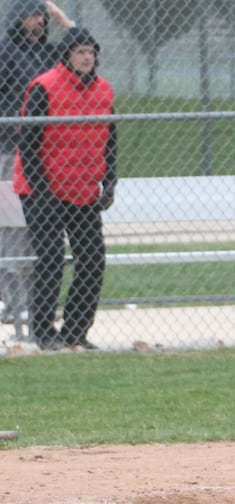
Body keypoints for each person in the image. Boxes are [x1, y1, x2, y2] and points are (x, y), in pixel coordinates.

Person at [14, 26, 117, 351]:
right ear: (67, 56)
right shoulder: (44, 87)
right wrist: (41, 191)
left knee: (92, 258)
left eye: (91, 52)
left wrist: (110, 181)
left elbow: (110, 140)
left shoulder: (104, 91)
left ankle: (75, 331)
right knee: (51, 258)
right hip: (42, 190)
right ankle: (44, 332)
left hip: (83, 190)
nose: (87, 57)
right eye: (80, 51)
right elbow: (28, 143)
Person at [0, 0, 75, 330]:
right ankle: (11, 300)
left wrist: (62, 19)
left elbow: (81, 47)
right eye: (32, 16)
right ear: (18, 18)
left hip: (44, 151)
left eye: (41, 17)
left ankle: (30, 301)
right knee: (10, 226)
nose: (38, 22)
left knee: (36, 227)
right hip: (9, 149)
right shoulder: (5, 52)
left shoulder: (49, 54)